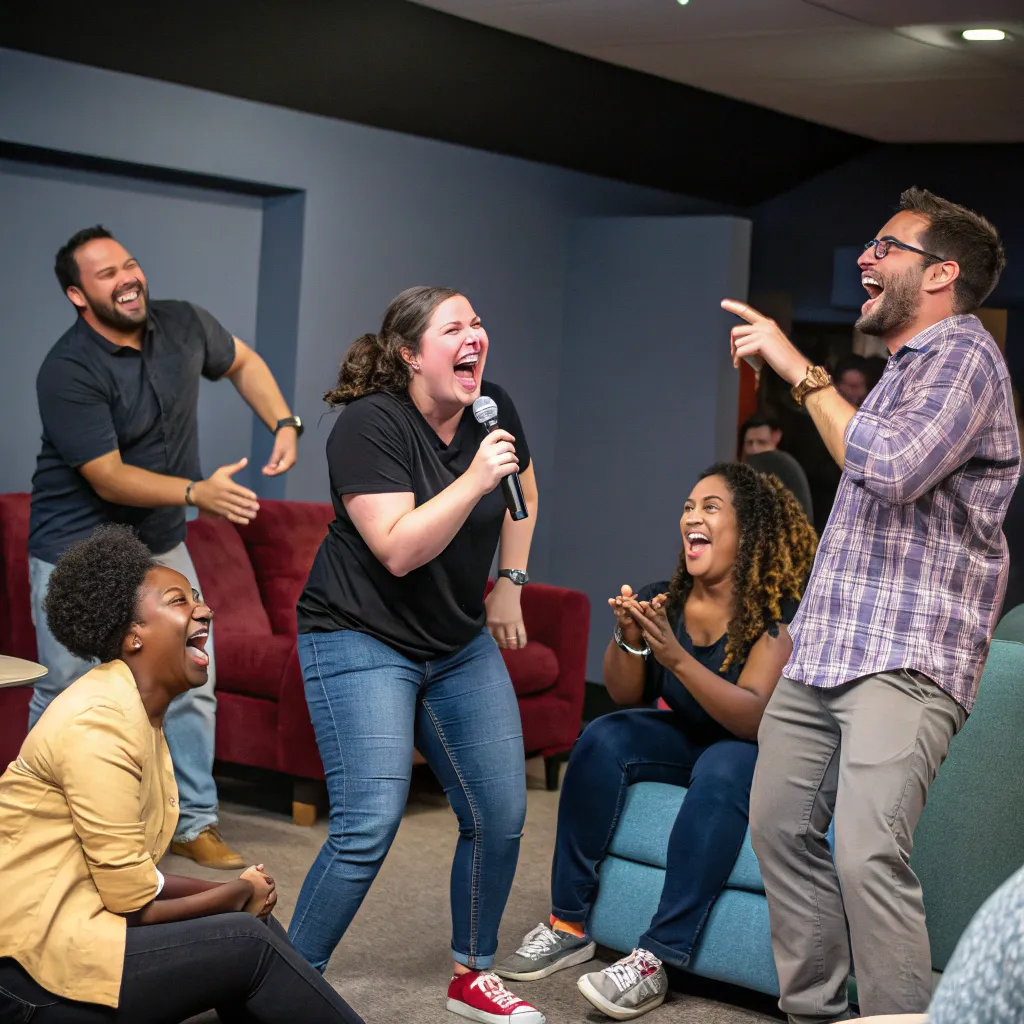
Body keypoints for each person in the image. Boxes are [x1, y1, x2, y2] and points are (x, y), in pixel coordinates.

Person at [722, 186, 1018, 1022]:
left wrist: (798, 367)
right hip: (828, 651)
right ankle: (814, 1012)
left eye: (886, 246)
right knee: (780, 830)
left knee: (865, 855)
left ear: (941, 274)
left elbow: (890, 469)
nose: (866, 257)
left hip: (907, 658)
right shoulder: (899, 375)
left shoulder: (964, 359)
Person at [289, 286, 545, 1024]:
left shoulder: (491, 407)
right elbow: (399, 550)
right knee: (369, 821)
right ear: (409, 354)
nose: (475, 336)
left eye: (478, 323)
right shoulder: (369, 427)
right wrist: (473, 481)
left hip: (456, 641)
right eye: (453, 328)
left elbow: (525, 482)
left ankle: (472, 974)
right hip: (357, 634)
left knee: (499, 811)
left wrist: (512, 584)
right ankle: (282, 978)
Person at [0, 526, 364, 1024]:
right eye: (179, 600)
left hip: (74, 929)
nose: (204, 609)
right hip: (29, 977)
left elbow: (132, 876)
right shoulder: (99, 724)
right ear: (133, 635)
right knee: (247, 940)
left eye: (196, 596)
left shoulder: (136, 711)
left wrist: (240, 890)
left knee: (247, 927)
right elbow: (133, 903)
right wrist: (233, 895)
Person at [495, 463, 817, 1021]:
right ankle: (568, 924)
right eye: (690, 506)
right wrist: (631, 638)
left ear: (749, 532)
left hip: (750, 750)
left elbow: (751, 717)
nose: (693, 516)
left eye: (711, 507)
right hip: (689, 737)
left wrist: (675, 656)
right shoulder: (662, 601)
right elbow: (625, 694)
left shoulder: (774, 614)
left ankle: (656, 957)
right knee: (602, 737)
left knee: (722, 765)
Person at [28, 225, 304, 869]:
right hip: (76, 547)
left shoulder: (183, 324)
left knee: (192, 675)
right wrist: (196, 493)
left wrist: (283, 423)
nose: (127, 278)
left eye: (130, 263)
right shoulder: (67, 369)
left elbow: (243, 362)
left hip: (157, 541)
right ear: (77, 295)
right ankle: (47, 823)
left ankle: (193, 823)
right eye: (105, 274)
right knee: (68, 687)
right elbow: (107, 474)